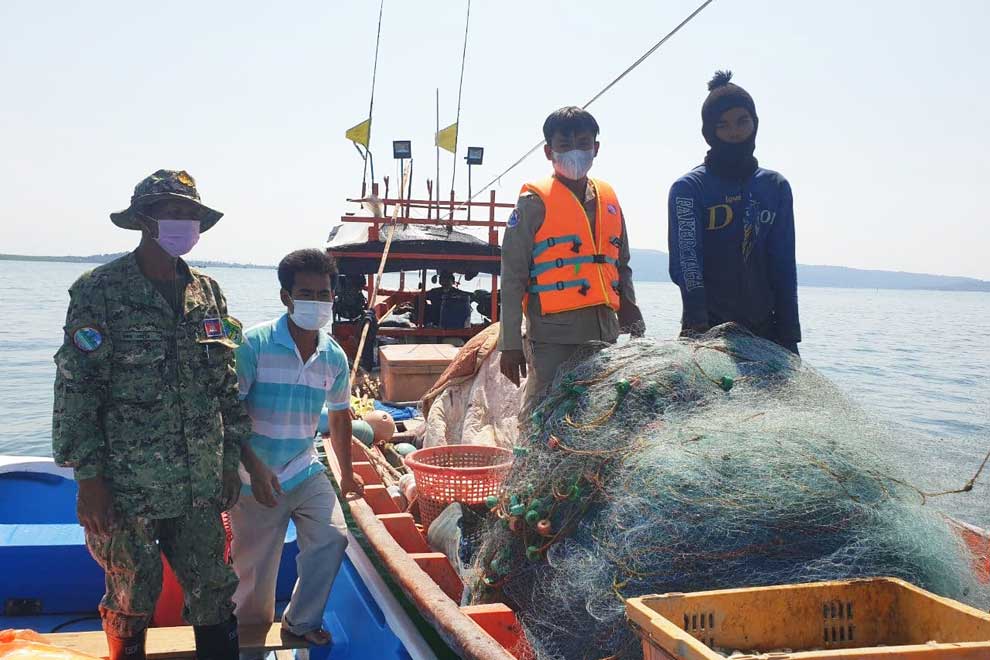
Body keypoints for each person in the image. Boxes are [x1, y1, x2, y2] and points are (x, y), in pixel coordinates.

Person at [52, 169, 248, 660]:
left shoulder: (208, 292)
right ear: (144, 219)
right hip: (127, 486)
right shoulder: (100, 290)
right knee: (131, 592)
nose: (184, 222)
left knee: (214, 589)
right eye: (172, 212)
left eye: (191, 214)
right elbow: (77, 390)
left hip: (200, 482)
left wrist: (228, 462)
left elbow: (224, 383)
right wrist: (89, 481)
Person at [229, 249, 364, 653]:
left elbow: (339, 416)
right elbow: (230, 411)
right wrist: (254, 467)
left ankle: (300, 622)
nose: (318, 302)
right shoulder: (252, 345)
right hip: (254, 476)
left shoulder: (334, 356)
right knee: (255, 572)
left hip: (305, 470)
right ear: (285, 296)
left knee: (332, 537)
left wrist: (346, 472)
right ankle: (249, 641)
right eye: (307, 293)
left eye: (324, 294)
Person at [499, 106, 645, 412]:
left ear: (596, 148)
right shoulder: (532, 203)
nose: (575, 152)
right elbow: (512, 279)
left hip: (604, 330)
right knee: (546, 409)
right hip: (553, 335)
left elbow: (622, 265)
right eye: (565, 146)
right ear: (548, 151)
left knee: (598, 410)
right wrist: (510, 344)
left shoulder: (609, 200)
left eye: (583, 143)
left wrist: (630, 307)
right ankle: (530, 461)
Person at [668, 71, 801, 354]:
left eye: (743, 121)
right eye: (723, 124)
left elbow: (784, 265)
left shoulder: (775, 186)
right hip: (707, 332)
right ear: (709, 131)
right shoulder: (689, 188)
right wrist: (699, 330)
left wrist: (789, 334)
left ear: (755, 122)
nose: (735, 131)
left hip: (767, 331)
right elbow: (687, 264)